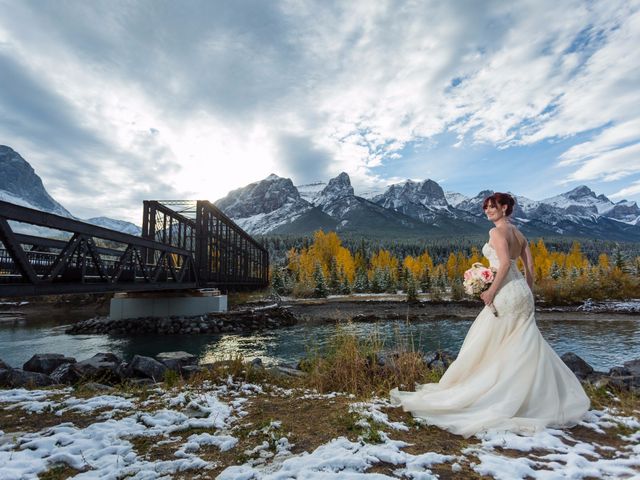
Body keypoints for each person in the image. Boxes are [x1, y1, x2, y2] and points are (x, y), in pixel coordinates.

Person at [390, 192, 590, 438]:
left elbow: (504, 264)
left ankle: (497, 395)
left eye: (492, 207)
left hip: (505, 292)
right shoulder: (520, 234)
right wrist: (527, 291)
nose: (487, 211)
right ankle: (532, 398)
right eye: (485, 207)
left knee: (491, 344)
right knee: (522, 345)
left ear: (505, 207)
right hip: (522, 294)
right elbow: (530, 269)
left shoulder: (496, 233)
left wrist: (490, 292)